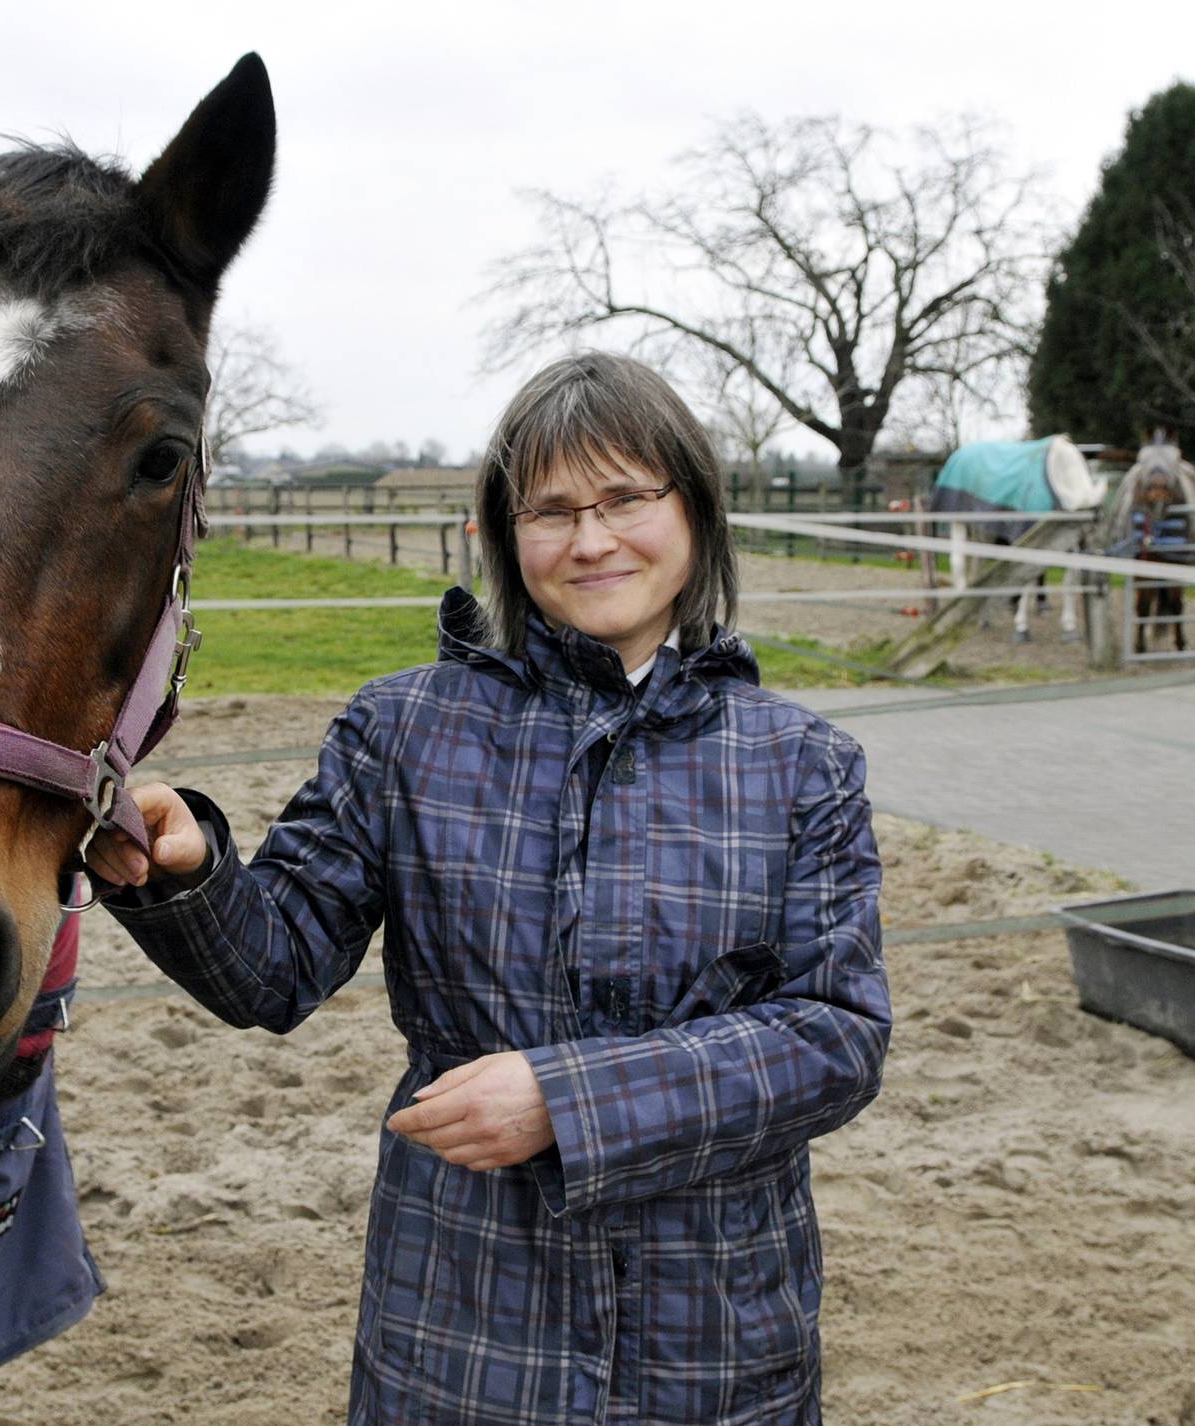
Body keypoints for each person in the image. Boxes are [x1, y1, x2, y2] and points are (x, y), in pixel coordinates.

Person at [89, 351, 891, 1425]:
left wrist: (570, 1101)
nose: (592, 538)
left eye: (625, 499)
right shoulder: (403, 729)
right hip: (458, 1331)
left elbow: (835, 1038)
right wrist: (190, 874)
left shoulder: (802, 764)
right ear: (507, 538)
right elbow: (271, 970)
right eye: (552, 510)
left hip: (716, 1338)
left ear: (693, 510)